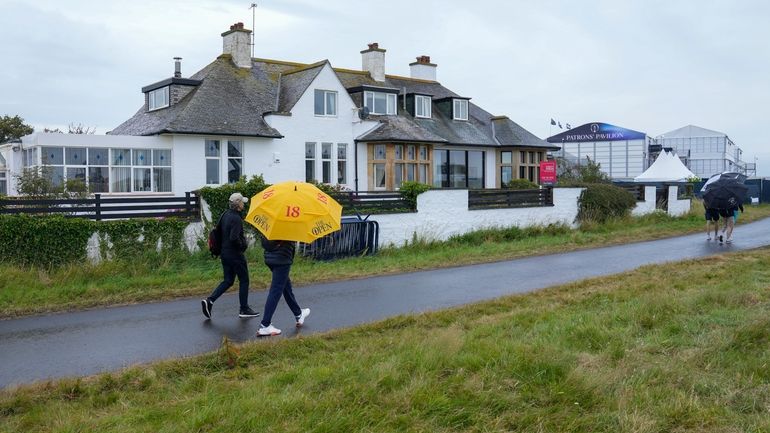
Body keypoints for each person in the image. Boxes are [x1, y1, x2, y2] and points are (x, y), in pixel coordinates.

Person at [201, 193, 260, 319]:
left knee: (228, 280)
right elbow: (234, 238)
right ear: (238, 204)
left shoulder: (225, 215)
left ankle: (209, 301)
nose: (243, 204)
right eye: (242, 202)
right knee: (244, 280)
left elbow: (222, 234)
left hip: (224, 253)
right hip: (235, 255)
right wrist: (243, 245)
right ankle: (244, 309)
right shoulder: (236, 219)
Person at [257, 236, 310, 336]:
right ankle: (265, 325)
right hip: (282, 259)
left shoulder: (274, 223)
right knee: (276, 291)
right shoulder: (288, 224)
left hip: (269, 257)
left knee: (286, 287)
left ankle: (298, 314)